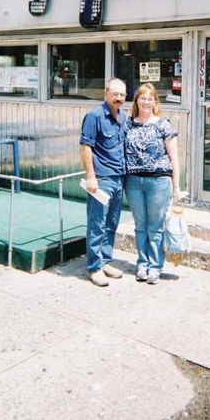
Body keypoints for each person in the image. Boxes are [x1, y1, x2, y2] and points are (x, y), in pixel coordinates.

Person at [125, 83, 180, 284]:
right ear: (136, 100)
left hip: (158, 182)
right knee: (140, 225)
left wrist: (177, 186)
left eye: (150, 98)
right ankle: (142, 263)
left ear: (155, 101)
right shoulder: (128, 124)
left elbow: (174, 159)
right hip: (133, 182)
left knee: (155, 226)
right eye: (142, 97)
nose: (146, 101)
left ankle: (155, 266)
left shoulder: (163, 125)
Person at [79, 78, 127, 287]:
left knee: (111, 223)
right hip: (102, 179)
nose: (119, 98)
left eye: (123, 95)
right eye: (115, 94)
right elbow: (86, 147)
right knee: (97, 224)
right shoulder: (94, 116)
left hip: (119, 178)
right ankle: (94, 267)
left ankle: (105, 261)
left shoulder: (123, 116)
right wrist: (91, 176)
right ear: (105, 93)